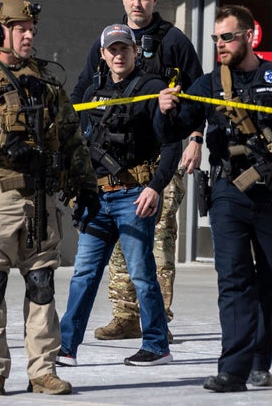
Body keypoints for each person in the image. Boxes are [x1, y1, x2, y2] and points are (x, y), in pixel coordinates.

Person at [0, 0, 100, 395]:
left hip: (41, 198)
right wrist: (2, 141)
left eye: (32, 29)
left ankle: (43, 370)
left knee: (42, 284)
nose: (29, 36)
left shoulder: (46, 81)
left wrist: (85, 185)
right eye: (20, 29)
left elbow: (71, 137)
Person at [158, 5, 272, 392]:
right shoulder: (212, 84)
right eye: (216, 38)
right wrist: (166, 110)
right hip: (229, 192)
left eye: (228, 37)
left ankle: (261, 359)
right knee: (233, 281)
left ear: (250, 36)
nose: (220, 45)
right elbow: (178, 126)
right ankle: (233, 368)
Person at [72, 0, 204, 343]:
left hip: (162, 156)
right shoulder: (109, 42)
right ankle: (126, 316)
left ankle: (157, 320)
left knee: (158, 240)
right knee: (118, 242)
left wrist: (195, 138)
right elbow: (82, 90)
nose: (137, 4)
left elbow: (198, 95)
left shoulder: (174, 41)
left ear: (155, 0)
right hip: (114, 164)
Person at [56, 23, 177, 367]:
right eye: (112, 49)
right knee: (84, 273)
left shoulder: (151, 89)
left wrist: (155, 187)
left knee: (141, 272)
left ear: (135, 52)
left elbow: (170, 145)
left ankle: (156, 346)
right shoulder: (92, 91)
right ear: (103, 54)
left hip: (134, 195)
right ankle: (66, 348)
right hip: (97, 197)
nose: (118, 54)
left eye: (125, 48)